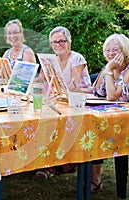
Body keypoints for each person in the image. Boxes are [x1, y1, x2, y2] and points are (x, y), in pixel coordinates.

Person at [93, 33, 129, 199]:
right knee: (88, 127)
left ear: (124, 51)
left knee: (100, 131)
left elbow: (112, 96)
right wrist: (106, 70)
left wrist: (109, 70)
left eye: (115, 50)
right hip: (116, 118)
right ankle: (93, 179)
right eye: (107, 50)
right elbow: (96, 92)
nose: (110, 54)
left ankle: (116, 191)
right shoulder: (109, 68)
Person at [34, 26, 93, 179]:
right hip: (59, 101)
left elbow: (75, 86)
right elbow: (40, 80)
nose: (58, 45)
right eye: (54, 42)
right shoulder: (49, 59)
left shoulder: (76, 58)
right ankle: (47, 162)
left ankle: (61, 163)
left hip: (80, 101)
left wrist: (71, 89)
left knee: (54, 123)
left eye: (62, 41)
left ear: (69, 42)